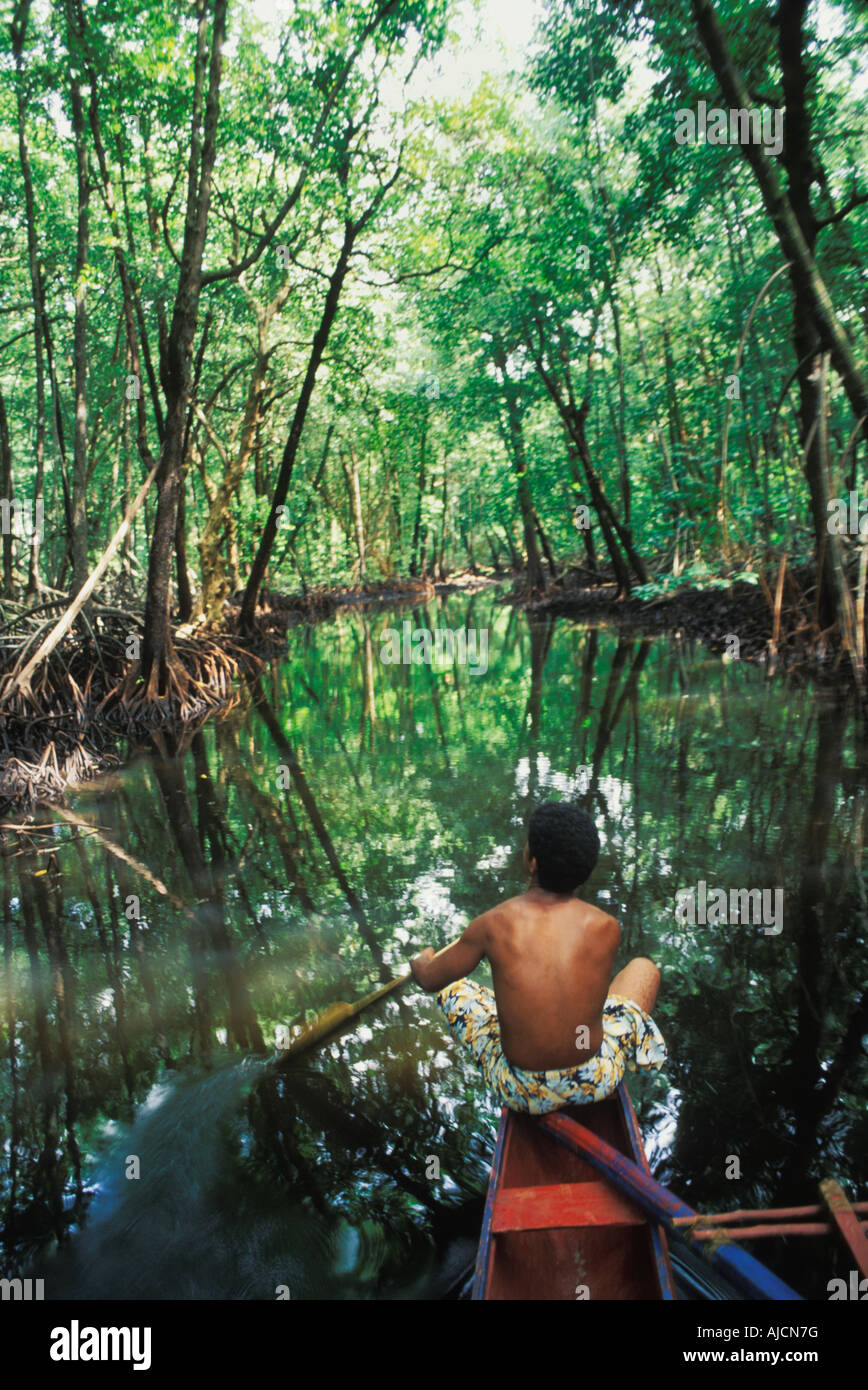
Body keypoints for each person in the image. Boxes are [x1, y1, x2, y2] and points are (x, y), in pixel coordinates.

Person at [410, 801, 666, 1114]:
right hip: (594, 1075)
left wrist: (422, 960)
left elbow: (428, 980)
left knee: (452, 989)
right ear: (584, 870)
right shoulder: (607, 926)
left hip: (522, 1089)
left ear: (533, 862)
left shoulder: (493, 924)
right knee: (644, 968)